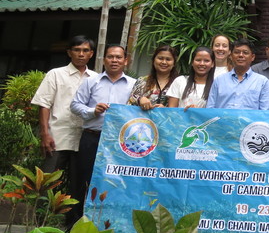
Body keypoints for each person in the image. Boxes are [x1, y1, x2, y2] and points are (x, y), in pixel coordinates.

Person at [69, 44, 135, 222]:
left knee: (115, 181)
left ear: (125, 60)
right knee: (86, 180)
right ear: (104, 59)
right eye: (110, 57)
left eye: (118, 57)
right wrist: (93, 111)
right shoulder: (91, 81)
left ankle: (109, 221)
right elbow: (75, 105)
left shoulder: (133, 85)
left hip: (119, 144)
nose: (114, 60)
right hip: (92, 138)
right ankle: (78, 222)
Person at [31, 36, 97, 174]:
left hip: (83, 139)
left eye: (85, 50)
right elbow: (44, 104)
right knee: (47, 181)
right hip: (57, 137)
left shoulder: (96, 78)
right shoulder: (55, 74)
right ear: (69, 52)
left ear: (91, 54)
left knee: (78, 184)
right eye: (77, 50)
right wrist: (44, 134)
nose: (81, 54)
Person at [206, 38, 269, 109]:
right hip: (222, 120)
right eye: (237, 52)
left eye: (245, 52)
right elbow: (210, 109)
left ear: (252, 57)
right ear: (230, 56)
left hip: (251, 120)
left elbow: (264, 112)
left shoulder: (262, 82)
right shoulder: (219, 80)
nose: (241, 55)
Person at [128, 45, 178, 110]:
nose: (164, 62)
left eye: (168, 59)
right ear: (153, 60)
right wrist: (140, 100)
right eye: (160, 58)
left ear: (174, 63)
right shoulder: (143, 81)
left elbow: (182, 108)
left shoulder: (178, 83)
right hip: (143, 119)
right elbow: (129, 104)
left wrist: (166, 110)